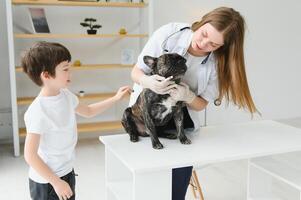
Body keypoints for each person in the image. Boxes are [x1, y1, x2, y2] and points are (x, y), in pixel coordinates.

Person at [129, 7, 258, 200]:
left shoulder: (217, 63)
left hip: (181, 123)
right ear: (202, 22)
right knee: (149, 184)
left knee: (175, 190)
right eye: (204, 34)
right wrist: (147, 82)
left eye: (213, 44)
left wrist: (187, 96)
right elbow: (136, 72)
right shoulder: (169, 34)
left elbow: (201, 104)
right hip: (146, 118)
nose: (203, 44)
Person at [22, 41, 131, 200]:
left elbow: (88, 111)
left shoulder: (65, 95)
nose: (70, 73)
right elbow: (30, 155)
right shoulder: (37, 111)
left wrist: (116, 98)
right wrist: (56, 182)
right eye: (65, 69)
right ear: (46, 75)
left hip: (66, 172)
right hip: (47, 181)